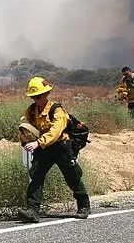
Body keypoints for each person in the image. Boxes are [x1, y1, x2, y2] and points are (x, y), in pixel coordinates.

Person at [19, 77, 90, 222]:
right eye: (33, 97)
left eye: (38, 96)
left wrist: (38, 143)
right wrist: (25, 138)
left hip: (61, 147)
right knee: (36, 176)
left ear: (46, 94)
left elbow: (56, 131)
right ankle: (32, 210)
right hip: (43, 148)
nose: (36, 99)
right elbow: (27, 127)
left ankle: (84, 206)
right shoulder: (31, 111)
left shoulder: (57, 110)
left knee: (72, 176)